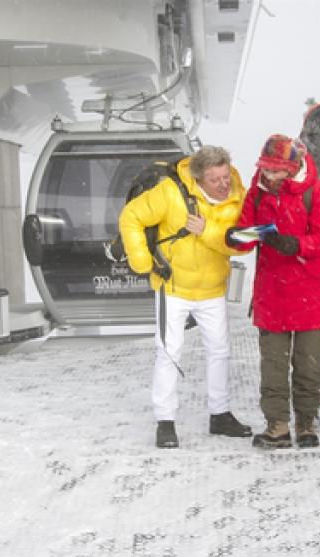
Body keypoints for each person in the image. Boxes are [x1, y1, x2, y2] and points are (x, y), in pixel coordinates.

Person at [118, 145, 253, 448]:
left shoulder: (237, 195)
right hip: (173, 287)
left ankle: (220, 414)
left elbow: (243, 242)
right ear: (198, 179)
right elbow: (131, 217)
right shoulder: (170, 192)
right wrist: (141, 261)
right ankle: (165, 421)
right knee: (169, 351)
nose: (223, 184)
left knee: (220, 350)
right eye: (215, 179)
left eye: (224, 176)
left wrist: (207, 230)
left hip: (212, 289)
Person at [226, 134, 320, 449]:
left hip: (311, 293)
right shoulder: (257, 193)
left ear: (293, 166)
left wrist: (296, 244)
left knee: (308, 365)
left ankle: (305, 423)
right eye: (266, 169)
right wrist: (236, 237)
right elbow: (246, 233)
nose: (270, 176)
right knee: (272, 365)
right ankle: (277, 426)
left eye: (277, 171)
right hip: (272, 292)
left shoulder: (315, 192)